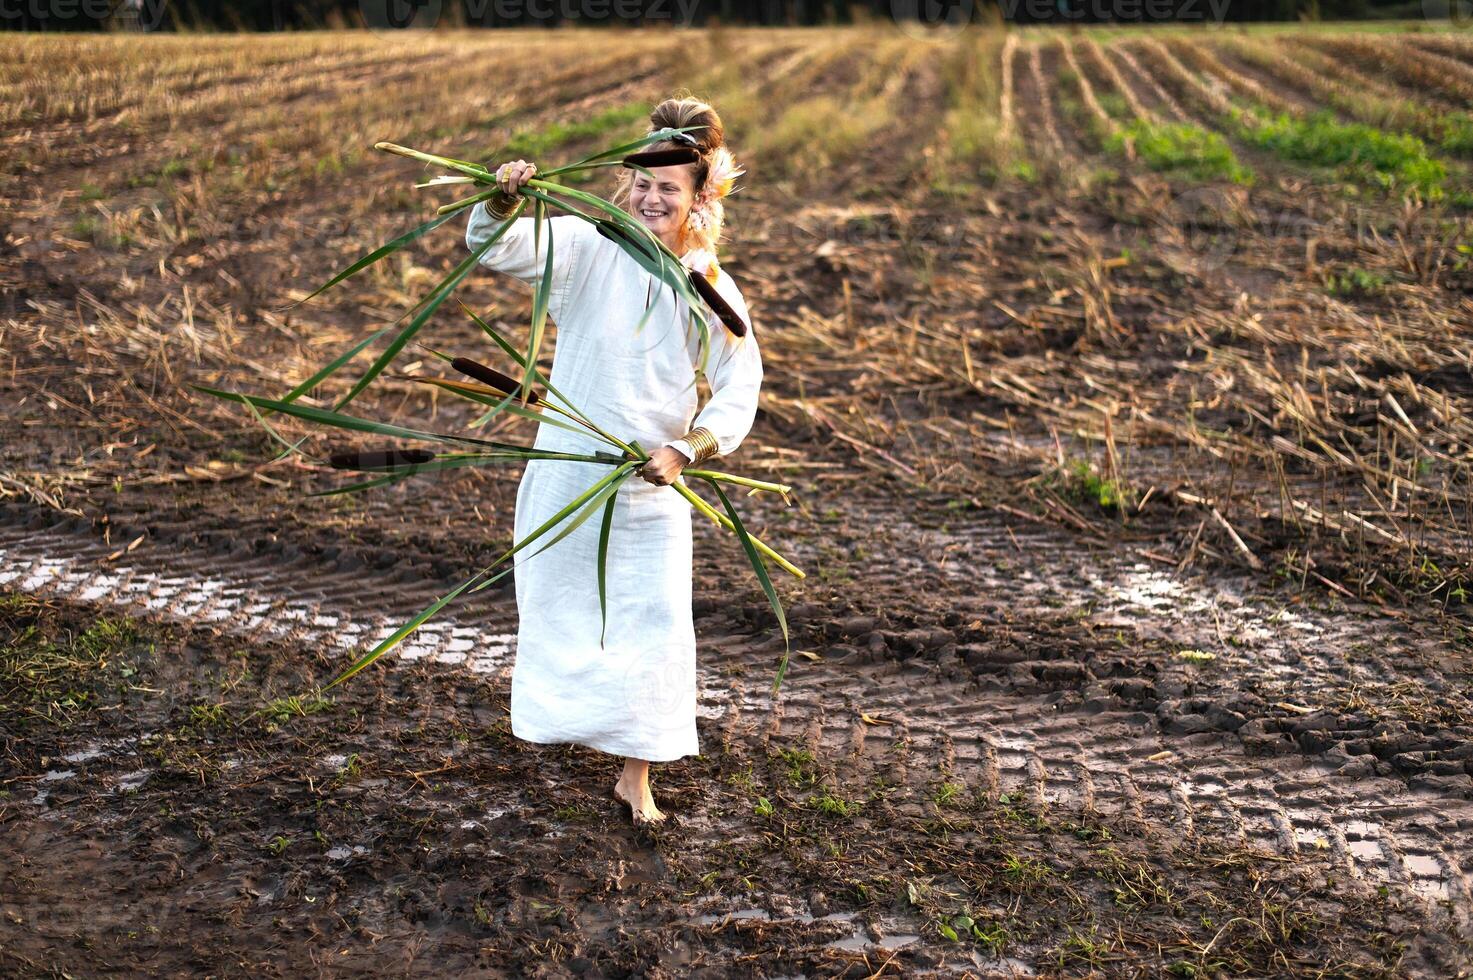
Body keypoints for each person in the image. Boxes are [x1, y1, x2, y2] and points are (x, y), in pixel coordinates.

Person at [464, 97, 762, 827]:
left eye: (670, 188)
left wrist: (686, 448)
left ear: (698, 200)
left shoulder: (707, 285)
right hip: (568, 469)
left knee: (654, 625)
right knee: (562, 609)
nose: (653, 198)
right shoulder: (588, 244)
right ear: (625, 186)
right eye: (643, 184)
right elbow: (498, 248)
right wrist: (501, 200)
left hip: (644, 482)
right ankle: (565, 721)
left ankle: (638, 777)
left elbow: (739, 379)